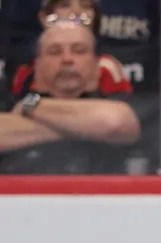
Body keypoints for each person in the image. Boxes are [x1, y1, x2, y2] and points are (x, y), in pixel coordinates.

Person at [0, 21, 144, 174]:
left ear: (97, 68)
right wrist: (89, 128)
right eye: (55, 52)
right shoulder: (11, 104)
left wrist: (32, 106)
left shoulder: (120, 103)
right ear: (37, 69)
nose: (67, 59)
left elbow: (115, 122)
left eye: (79, 51)